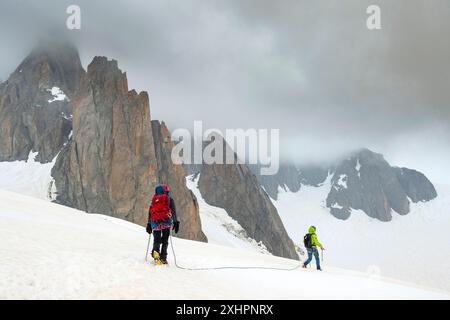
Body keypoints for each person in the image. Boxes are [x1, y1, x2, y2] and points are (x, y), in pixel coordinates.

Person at [146, 184, 180, 265]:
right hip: (166, 222)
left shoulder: (153, 200)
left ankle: (156, 253)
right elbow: (173, 212)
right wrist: (175, 222)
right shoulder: (169, 199)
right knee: (165, 241)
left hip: (155, 222)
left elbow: (150, 212)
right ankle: (163, 258)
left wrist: (149, 224)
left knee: (157, 239)